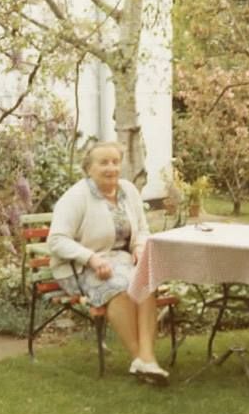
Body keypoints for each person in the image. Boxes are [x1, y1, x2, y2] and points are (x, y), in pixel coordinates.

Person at [47, 141, 169, 385]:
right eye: (103, 162)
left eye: (115, 162)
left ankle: (147, 359)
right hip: (79, 267)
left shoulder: (128, 191)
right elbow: (57, 240)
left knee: (145, 281)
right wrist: (90, 258)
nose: (111, 168)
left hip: (121, 261)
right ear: (89, 168)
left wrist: (139, 247)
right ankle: (140, 358)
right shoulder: (76, 197)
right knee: (119, 288)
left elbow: (143, 229)